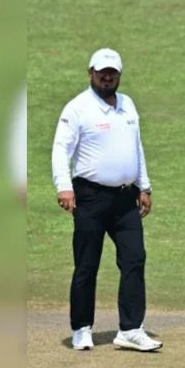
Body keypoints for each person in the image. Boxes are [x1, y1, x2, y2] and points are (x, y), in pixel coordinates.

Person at [51, 48, 162, 352]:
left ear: (119, 75)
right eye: (102, 72)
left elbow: (135, 148)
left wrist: (145, 186)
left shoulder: (127, 105)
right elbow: (61, 149)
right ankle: (81, 328)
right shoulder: (78, 108)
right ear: (91, 73)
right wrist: (64, 187)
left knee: (135, 258)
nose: (107, 76)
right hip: (90, 196)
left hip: (126, 198)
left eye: (112, 72)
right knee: (87, 264)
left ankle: (130, 329)